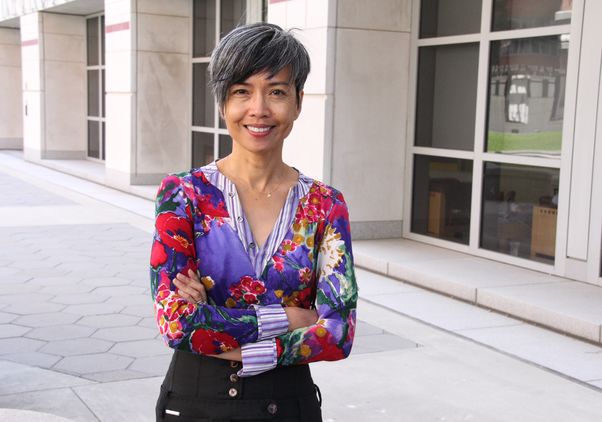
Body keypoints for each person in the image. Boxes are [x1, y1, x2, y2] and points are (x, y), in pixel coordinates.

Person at [150, 22, 357, 422]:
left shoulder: (325, 205)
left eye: (276, 91)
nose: (259, 109)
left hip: (289, 406)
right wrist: (292, 318)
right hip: (195, 403)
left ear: (297, 102)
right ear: (222, 104)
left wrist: (223, 330)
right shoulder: (183, 195)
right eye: (242, 91)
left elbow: (338, 333)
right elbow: (176, 323)